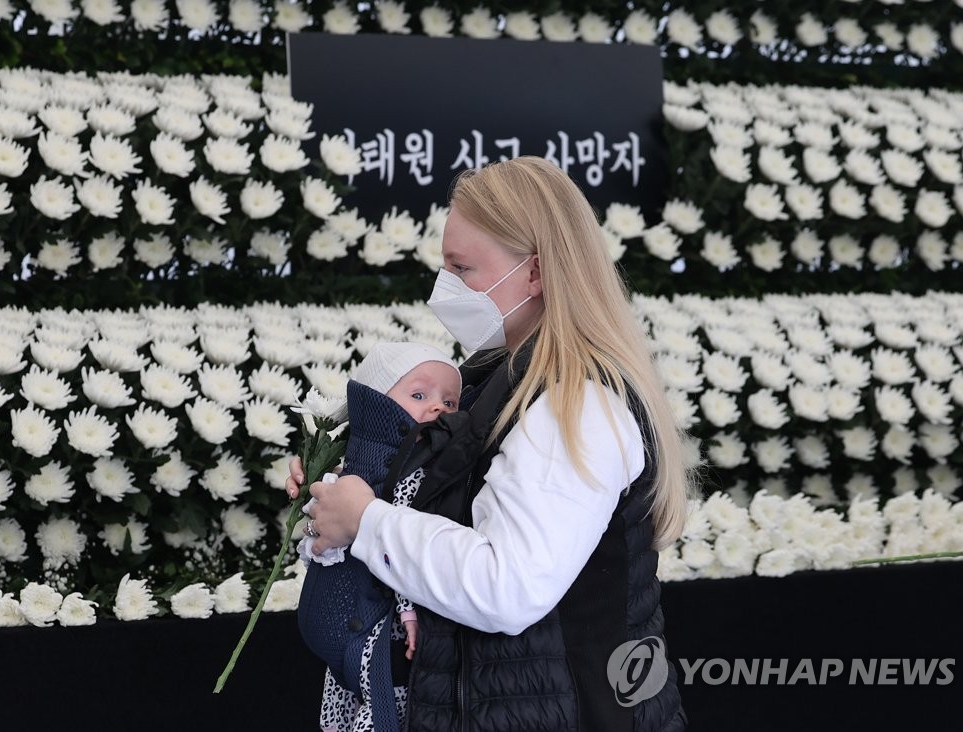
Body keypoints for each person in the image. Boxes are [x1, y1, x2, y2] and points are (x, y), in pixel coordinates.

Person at [288, 156, 691, 731]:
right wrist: (345, 482)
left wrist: (368, 522)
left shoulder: (575, 403)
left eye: (463, 269)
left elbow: (508, 586)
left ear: (535, 274)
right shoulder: (499, 380)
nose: (446, 288)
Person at [297, 341, 461, 732]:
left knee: (374, 700)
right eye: (419, 395)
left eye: (451, 403)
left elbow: (407, 543)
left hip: (374, 628)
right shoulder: (364, 464)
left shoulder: (423, 472)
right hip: (353, 620)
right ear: (376, 404)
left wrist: (408, 613)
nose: (438, 408)